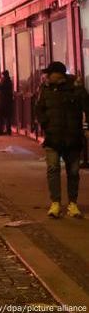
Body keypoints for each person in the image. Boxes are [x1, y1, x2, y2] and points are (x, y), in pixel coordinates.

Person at [33, 61, 87, 218]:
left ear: (58, 75)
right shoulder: (45, 89)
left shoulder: (75, 88)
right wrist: (45, 123)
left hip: (72, 137)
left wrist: (80, 90)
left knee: (73, 172)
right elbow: (38, 108)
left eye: (50, 74)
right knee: (53, 169)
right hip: (53, 137)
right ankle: (55, 202)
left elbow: (86, 105)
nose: (47, 76)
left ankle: (72, 203)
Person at [0, 70, 14, 135]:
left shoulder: (5, 81)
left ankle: (1, 130)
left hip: (3, 102)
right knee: (7, 117)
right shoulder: (8, 81)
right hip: (8, 102)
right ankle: (8, 130)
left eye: (2, 75)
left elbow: (2, 88)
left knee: (0, 115)